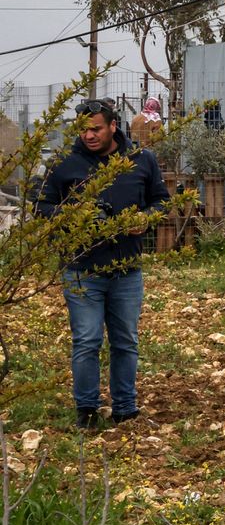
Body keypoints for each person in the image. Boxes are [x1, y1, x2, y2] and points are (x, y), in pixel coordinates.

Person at [36, 97, 171, 430]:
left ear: (113, 126)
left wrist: (146, 219)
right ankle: (87, 412)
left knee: (125, 340)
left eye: (96, 129)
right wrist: (74, 217)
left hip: (126, 270)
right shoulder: (65, 164)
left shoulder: (142, 160)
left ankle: (126, 409)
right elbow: (42, 206)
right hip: (82, 270)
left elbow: (162, 202)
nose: (89, 136)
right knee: (87, 339)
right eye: (83, 130)